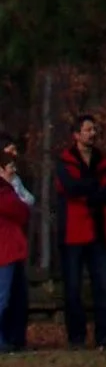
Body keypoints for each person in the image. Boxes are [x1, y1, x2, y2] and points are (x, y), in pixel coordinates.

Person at [54, 113, 106, 351]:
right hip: (72, 234)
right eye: (88, 129)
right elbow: (70, 188)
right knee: (73, 288)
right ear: (76, 134)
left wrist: (88, 191)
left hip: (98, 232)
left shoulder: (104, 161)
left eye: (94, 129)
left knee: (103, 285)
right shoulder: (65, 161)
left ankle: (105, 336)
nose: (93, 133)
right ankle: (76, 337)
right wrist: (94, 188)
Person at [0, 136, 32, 355]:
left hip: (12, 248)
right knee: (2, 297)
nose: (13, 168)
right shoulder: (4, 191)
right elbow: (20, 209)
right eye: (9, 165)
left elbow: (27, 204)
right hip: (5, 249)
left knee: (14, 296)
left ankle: (13, 338)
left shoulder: (9, 188)